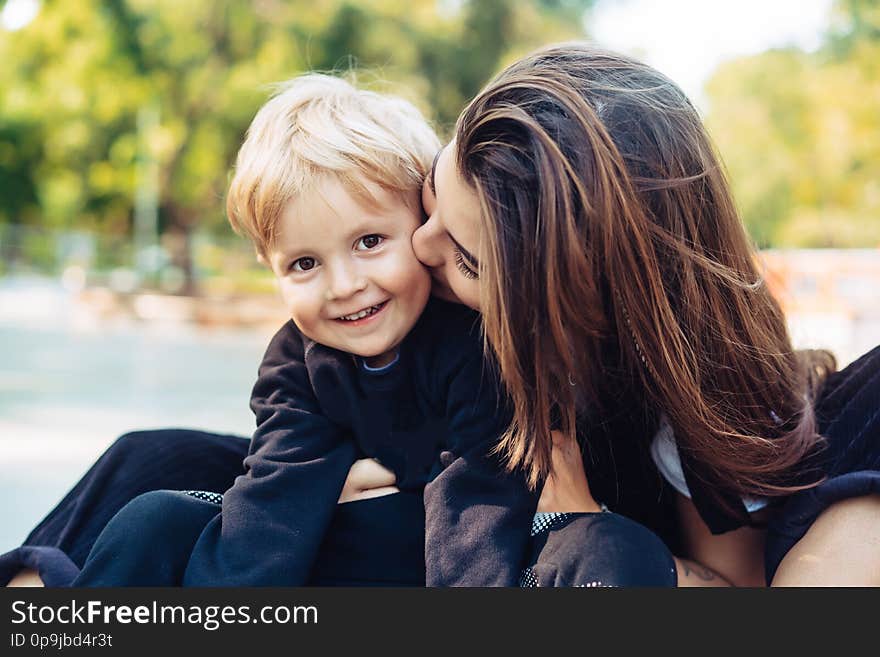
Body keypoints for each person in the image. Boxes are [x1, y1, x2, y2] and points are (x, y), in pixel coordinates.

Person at [5, 73, 677, 589]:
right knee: (153, 514)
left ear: (419, 216)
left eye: (368, 241)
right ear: (271, 270)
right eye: (305, 262)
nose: (344, 283)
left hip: (473, 558)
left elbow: (479, 492)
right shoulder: (298, 361)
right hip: (350, 548)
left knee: (619, 551)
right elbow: (274, 493)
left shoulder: (467, 340)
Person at [411, 42, 880, 586]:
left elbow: (732, 586)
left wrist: (590, 527)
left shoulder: (689, 412)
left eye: (468, 261)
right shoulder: (400, 303)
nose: (421, 244)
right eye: (431, 192)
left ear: (579, 299)